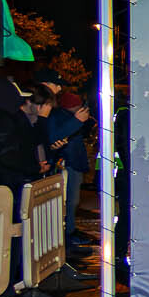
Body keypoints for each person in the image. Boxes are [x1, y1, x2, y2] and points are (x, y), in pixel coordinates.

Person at [44, 91, 95, 258]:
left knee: (71, 202)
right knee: (68, 202)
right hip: (67, 164)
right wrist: (77, 122)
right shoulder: (60, 117)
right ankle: (67, 237)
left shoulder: (61, 116)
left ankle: (69, 235)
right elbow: (54, 137)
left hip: (72, 163)